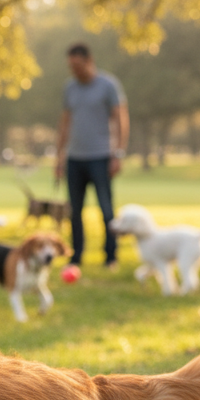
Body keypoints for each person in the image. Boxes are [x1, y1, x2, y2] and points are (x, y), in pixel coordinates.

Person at [53, 43, 129, 269]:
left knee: (106, 209)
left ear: (89, 61)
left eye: (77, 65)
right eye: (71, 66)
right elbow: (65, 122)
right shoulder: (70, 88)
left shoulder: (108, 85)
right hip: (75, 158)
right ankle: (75, 257)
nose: (74, 70)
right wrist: (59, 156)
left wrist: (118, 153)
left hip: (101, 156)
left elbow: (120, 119)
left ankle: (110, 256)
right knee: (74, 211)